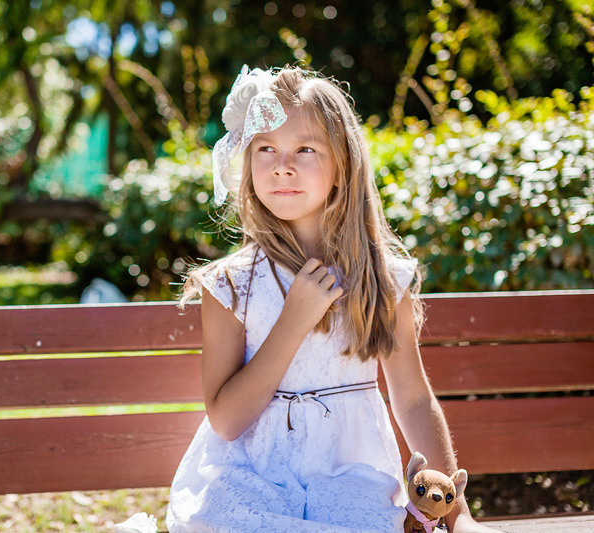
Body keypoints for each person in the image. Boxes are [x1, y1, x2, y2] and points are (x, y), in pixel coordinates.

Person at [166, 66, 497, 532]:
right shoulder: (231, 286)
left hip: (350, 478)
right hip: (249, 478)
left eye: (305, 149)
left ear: (342, 166)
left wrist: (459, 518)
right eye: (265, 148)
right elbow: (226, 422)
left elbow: (412, 398)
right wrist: (292, 321)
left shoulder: (382, 280)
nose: (282, 165)